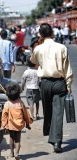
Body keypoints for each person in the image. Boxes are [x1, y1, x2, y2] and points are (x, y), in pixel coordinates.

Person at [30, 23, 73, 153]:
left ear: (41, 35)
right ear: (53, 33)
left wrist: (38, 45)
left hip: (45, 83)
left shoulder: (38, 48)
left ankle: (49, 133)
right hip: (59, 83)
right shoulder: (61, 47)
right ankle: (57, 142)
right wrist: (69, 84)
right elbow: (67, 69)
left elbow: (33, 61)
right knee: (58, 113)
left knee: (48, 110)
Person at [1, 82, 32, 160]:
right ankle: (17, 154)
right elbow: (25, 114)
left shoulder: (7, 104)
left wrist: (3, 125)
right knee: (18, 139)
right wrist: (28, 124)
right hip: (19, 124)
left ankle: (11, 153)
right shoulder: (20, 103)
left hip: (10, 125)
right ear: (18, 94)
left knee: (11, 138)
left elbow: (4, 116)